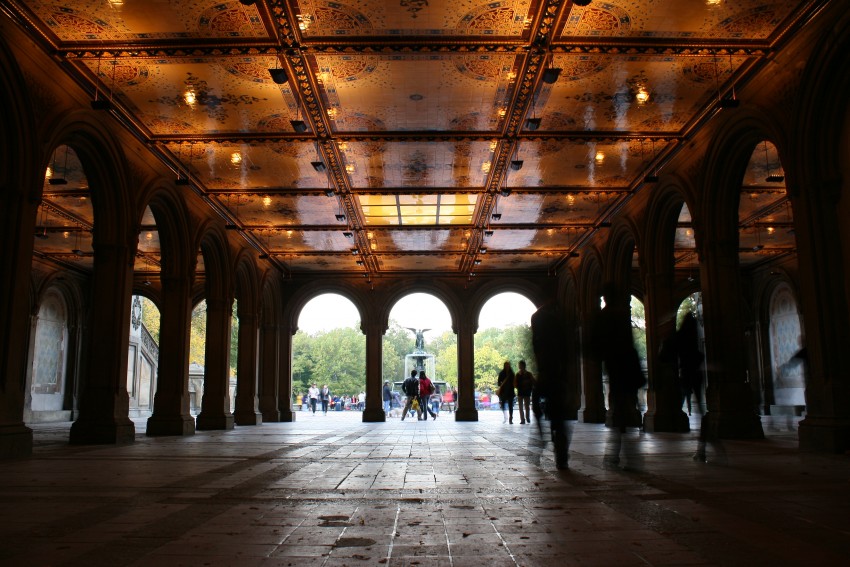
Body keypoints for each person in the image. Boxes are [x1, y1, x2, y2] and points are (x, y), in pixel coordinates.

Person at [591, 283, 646, 469]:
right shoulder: (621, 313)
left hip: (615, 369)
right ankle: (627, 455)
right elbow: (629, 344)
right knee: (625, 409)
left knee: (619, 410)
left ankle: (616, 454)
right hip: (627, 368)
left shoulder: (604, 316)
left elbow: (596, 345)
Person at [531, 300, 572, 469]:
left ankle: (544, 439)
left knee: (542, 411)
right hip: (556, 377)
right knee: (559, 417)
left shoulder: (540, 331)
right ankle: (560, 451)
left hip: (547, 376)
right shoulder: (557, 328)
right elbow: (566, 354)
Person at [676, 312, 704, 416]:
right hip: (696, 372)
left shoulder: (681, 335)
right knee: (698, 399)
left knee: (682, 397)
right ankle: (704, 422)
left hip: (686, 372)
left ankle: (678, 417)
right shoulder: (694, 334)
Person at [514, 360, 535, 425]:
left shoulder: (528, 374)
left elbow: (533, 381)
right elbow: (515, 383)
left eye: (520, 365)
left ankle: (527, 417)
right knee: (521, 407)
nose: (519, 366)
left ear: (523, 366)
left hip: (527, 392)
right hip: (521, 392)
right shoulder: (518, 374)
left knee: (526, 406)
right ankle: (522, 419)